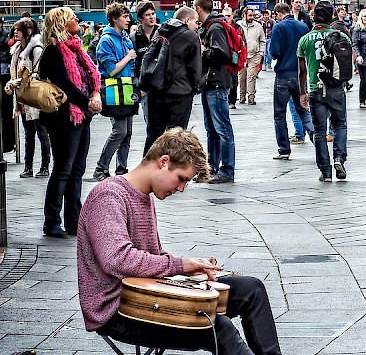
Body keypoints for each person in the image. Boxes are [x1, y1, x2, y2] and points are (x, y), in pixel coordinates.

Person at [77, 128, 282, 354]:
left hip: (148, 295)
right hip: (118, 308)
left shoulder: (144, 197)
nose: (181, 188)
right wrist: (179, 265)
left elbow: (149, 259)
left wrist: (187, 270)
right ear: (164, 162)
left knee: (251, 289)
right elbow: (116, 259)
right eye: (182, 179)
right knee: (214, 325)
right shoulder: (108, 195)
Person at [39, 6, 103, 238]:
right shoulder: (53, 51)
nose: (77, 19)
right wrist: (87, 102)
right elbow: (64, 84)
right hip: (63, 117)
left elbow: (91, 76)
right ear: (61, 23)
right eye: (71, 17)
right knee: (63, 168)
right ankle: (52, 220)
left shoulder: (77, 49)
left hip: (82, 115)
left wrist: (95, 96)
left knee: (77, 169)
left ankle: (74, 220)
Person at [297, 1, 350, 181]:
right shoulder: (341, 36)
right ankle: (339, 158)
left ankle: (325, 171)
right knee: (340, 125)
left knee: (319, 131)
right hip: (336, 87)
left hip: (315, 88)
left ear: (314, 17)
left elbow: (302, 70)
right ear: (331, 16)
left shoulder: (305, 39)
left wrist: (302, 92)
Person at [142, 6, 203, 155]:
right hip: (180, 93)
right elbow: (195, 68)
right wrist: (195, 88)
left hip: (156, 92)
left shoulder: (159, 31)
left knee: (154, 136)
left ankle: (148, 170)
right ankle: (170, 172)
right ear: (187, 20)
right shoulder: (190, 36)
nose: (197, 26)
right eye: (196, 22)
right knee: (176, 137)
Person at [194, 0, 236, 184]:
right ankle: (212, 167)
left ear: (198, 8)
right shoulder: (211, 27)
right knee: (212, 128)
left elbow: (222, 53)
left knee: (222, 128)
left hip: (217, 82)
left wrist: (204, 51)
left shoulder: (215, 27)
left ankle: (226, 170)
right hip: (210, 82)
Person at [93, 2, 137, 182]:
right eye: (125, 16)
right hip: (114, 88)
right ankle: (101, 167)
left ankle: (121, 169)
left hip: (127, 88)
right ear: (114, 19)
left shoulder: (125, 38)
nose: (128, 20)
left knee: (127, 132)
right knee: (119, 131)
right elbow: (111, 70)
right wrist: (128, 57)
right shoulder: (106, 40)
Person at [5, 17, 50, 178]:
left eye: (18, 30)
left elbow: (38, 74)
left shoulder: (36, 49)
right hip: (22, 98)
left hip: (35, 98)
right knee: (28, 134)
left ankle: (45, 167)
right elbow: (14, 71)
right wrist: (11, 84)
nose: (15, 32)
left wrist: (15, 82)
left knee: (41, 132)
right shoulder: (17, 50)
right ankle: (28, 166)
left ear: (28, 32)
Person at [269, 2, 313, 160]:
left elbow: (274, 52)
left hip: (283, 75)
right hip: (300, 74)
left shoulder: (278, 27)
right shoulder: (303, 27)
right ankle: (315, 136)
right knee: (303, 110)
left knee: (279, 114)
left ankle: (284, 150)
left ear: (279, 14)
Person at [133, 0, 158, 125]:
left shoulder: (162, 32)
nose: (152, 17)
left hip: (162, 87)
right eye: (148, 15)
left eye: (153, 13)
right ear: (140, 18)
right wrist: (138, 86)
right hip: (145, 88)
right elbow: (133, 64)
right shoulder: (134, 37)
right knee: (151, 126)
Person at [237, 8, 266, 105]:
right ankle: (242, 97)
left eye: (253, 15)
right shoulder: (238, 25)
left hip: (254, 55)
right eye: (250, 15)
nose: (252, 17)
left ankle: (251, 97)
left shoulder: (258, 26)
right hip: (241, 56)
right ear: (244, 15)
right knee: (241, 78)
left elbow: (262, 40)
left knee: (251, 77)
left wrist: (261, 53)